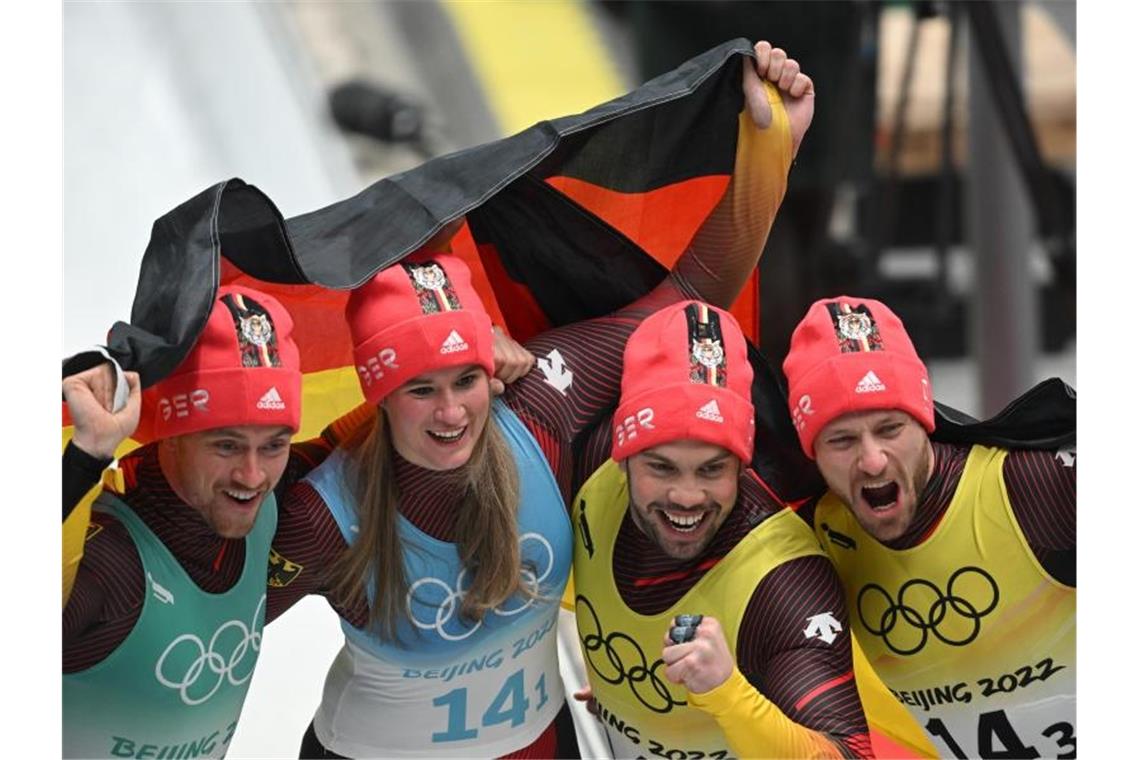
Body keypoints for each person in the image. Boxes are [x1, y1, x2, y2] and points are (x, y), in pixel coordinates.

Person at [263, 40, 817, 759]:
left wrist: (773, 151)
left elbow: (689, 295)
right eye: (420, 390)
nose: (452, 412)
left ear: (490, 369)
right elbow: (201, 628)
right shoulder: (322, 515)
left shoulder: (541, 402)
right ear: (379, 397)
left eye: (464, 380)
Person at [569, 299, 872, 758]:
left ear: (743, 466)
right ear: (622, 455)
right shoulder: (588, 469)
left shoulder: (783, 580)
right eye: (662, 468)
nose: (687, 497)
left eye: (712, 470)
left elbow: (850, 755)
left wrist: (728, 693)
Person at [782, 295, 1076, 759]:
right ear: (811, 453)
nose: (873, 460)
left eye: (891, 428)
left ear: (925, 420)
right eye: (841, 440)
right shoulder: (807, 544)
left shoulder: (1029, 488)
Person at [62, 285, 314, 759]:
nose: (253, 475)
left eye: (275, 445)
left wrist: (488, 364)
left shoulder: (270, 503)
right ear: (169, 437)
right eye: (226, 445)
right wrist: (82, 460)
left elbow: (405, 431)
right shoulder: (112, 565)